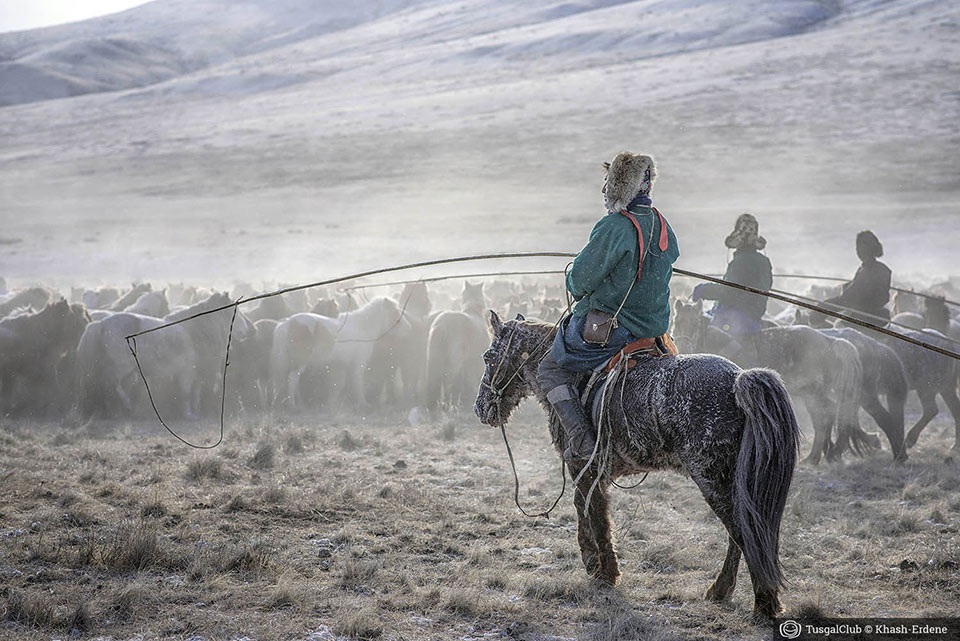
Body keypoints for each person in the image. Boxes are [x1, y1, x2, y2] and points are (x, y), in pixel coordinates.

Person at [537, 152, 679, 462]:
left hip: (616, 331)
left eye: (608, 182)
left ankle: (583, 442)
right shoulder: (662, 224)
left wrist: (575, 277)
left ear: (619, 187)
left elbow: (580, 280)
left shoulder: (614, 226)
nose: (603, 190)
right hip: (654, 330)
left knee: (549, 368)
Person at [691, 213, 773, 363]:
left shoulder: (740, 262)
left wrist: (703, 290)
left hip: (737, 318)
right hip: (755, 316)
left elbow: (728, 292)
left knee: (702, 333)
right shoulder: (764, 261)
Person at [824, 230, 891, 325]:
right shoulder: (883, 269)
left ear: (868, 248)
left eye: (860, 247)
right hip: (882, 319)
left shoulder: (866, 272)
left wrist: (824, 307)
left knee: (838, 325)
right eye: (857, 247)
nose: (857, 250)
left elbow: (848, 299)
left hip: (865, 321)